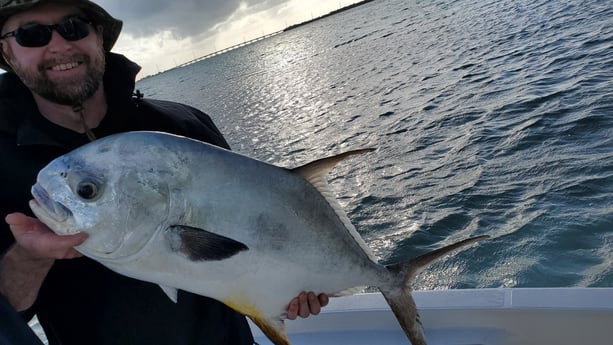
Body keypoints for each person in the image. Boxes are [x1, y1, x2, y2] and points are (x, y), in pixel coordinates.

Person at [0, 1, 328, 344]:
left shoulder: (184, 126)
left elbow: (255, 230)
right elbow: (8, 315)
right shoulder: (8, 169)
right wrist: (31, 255)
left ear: (98, 36)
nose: (59, 45)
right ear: (7, 51)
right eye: (32, 34)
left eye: (73, 27)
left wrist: (286, 291)